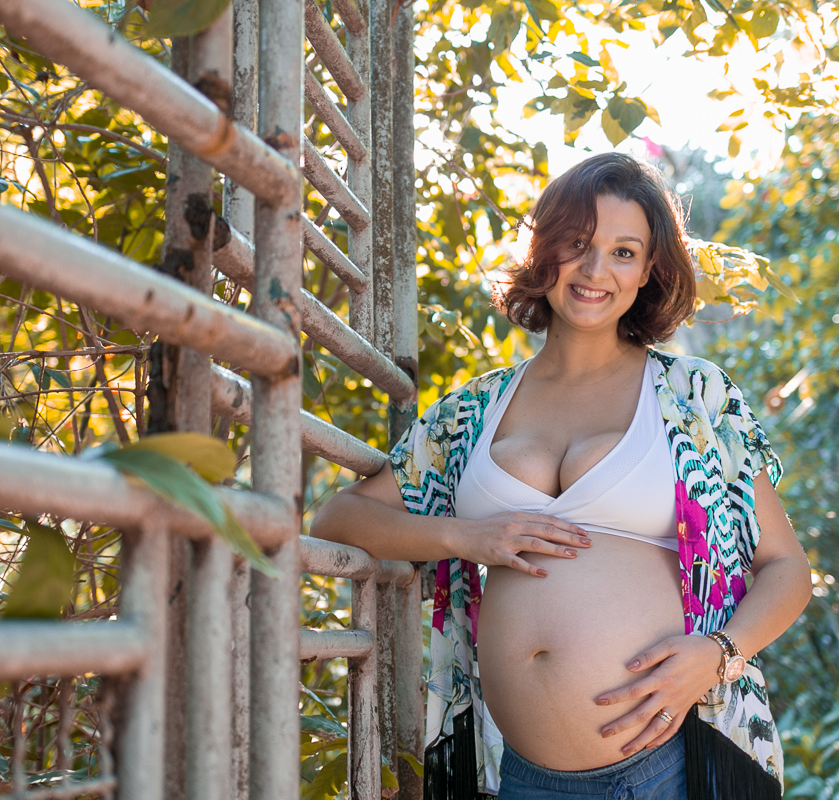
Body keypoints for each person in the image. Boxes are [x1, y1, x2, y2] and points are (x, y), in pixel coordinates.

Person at [310, 152, 812, 799]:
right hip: (520, 778)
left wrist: (718, 654)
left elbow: (787, 569)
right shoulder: (474, 409)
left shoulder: (694, 396)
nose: (596, 269)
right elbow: (339, 516)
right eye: (578, 242)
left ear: (648, 271)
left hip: (666, 769)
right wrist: (465, 537)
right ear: (545, 247)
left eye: (623, 251)